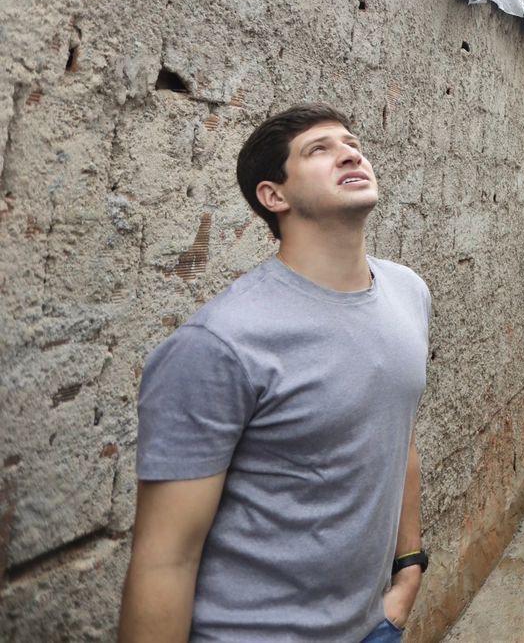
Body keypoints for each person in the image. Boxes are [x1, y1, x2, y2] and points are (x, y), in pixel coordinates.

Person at [119, 104, 430, 643]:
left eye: (350, 142)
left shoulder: (408, 293)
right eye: (319, 149)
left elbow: (397, 438)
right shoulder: (219, 344)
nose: (349, 152)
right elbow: (165, 559)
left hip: (376, 627)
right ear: (274, 196)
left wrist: (409, 567)